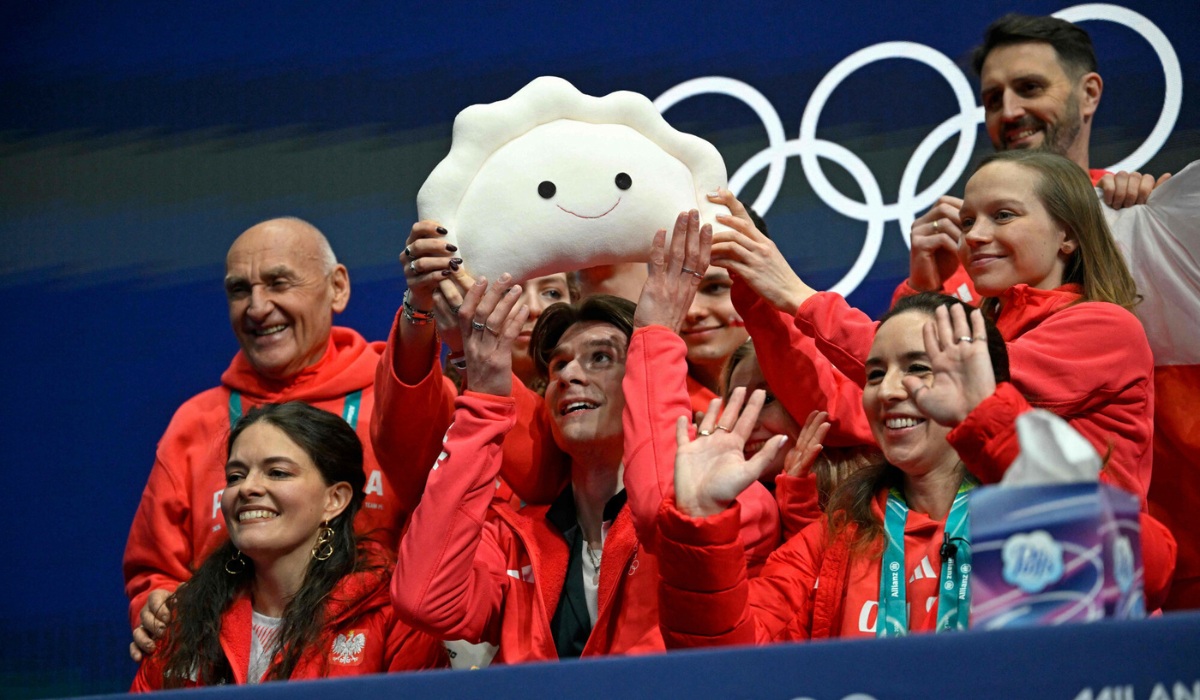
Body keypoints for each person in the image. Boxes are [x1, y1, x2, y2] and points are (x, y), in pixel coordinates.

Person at [709, 150, 1176, 607]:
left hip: (1088, 585)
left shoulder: (1105, 328)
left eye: (1003, 215)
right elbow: (840, 400)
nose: (975, 235)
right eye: (969, 221)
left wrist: (796, 293)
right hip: (986, 583)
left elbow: (951, 376)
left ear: (1067, 234)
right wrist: (755, 293)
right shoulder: (978, 324)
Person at [902, 15, 1198, 609]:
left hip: (1163, 549)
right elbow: (905, 388)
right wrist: (920, 287)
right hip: (1012, 573)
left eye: (1030, 88)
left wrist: (1161, 229)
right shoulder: (972, 257)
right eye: (992, 97)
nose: (1008, 110)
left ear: (1089, 94)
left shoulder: (1152, 224)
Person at [391, 211, 777, 663]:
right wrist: (486, 400)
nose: (570, 375)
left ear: (641, 382)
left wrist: (657, 334)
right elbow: (423, 600)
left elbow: (660, 516)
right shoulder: (517, 536)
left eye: (600, 358)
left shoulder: (728, 504)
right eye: (557, 366)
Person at [125, 218, 409, 661]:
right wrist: (155, 602)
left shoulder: (401, 396)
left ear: (337, 287)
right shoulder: (195, 422)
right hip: (232, 668)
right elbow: (155, 571)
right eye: (240, 290)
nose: (257, 307)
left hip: (378, 662)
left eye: (279, 282)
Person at [658, 294, 1009, 643]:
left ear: (983, 381)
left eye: (917, 368)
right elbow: (729, 656)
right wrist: (701, 521)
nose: (887, 390)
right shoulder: (832, 537)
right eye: (874, 374)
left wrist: (991, 417)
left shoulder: (1028, 505)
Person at [131, 402, 444, 689]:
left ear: (334, 500)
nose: (248, 488)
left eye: (277, 472)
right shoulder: (185, 615)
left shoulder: (393, 614)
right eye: (235, 476)